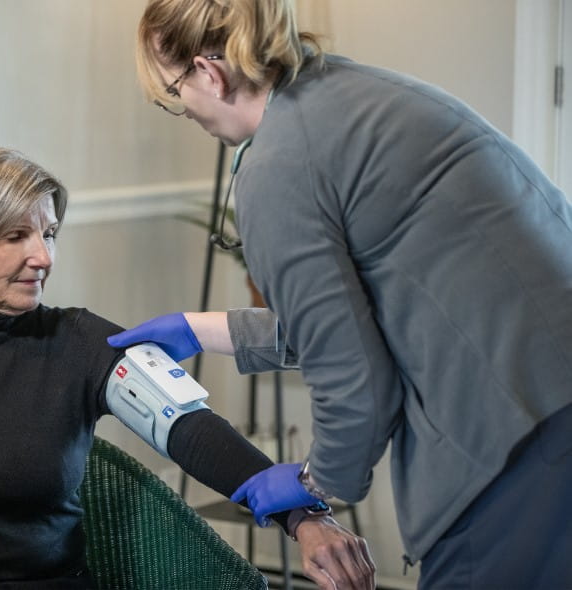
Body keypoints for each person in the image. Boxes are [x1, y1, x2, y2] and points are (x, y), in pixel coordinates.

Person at [108, 1, 572, 589]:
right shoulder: (350, 95)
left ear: (209, 72)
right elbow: (365, 318)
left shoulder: (278, 162)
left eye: (174, 91)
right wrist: (199, 330)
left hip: (518, 437)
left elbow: (354, 379)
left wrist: (314, 484)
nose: (185, 110)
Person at [0, 148, 336, 589]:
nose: (44, 256)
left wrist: (302, 519)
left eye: (48, 233)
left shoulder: (81, 340)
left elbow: (193, 432)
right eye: (16, 235)